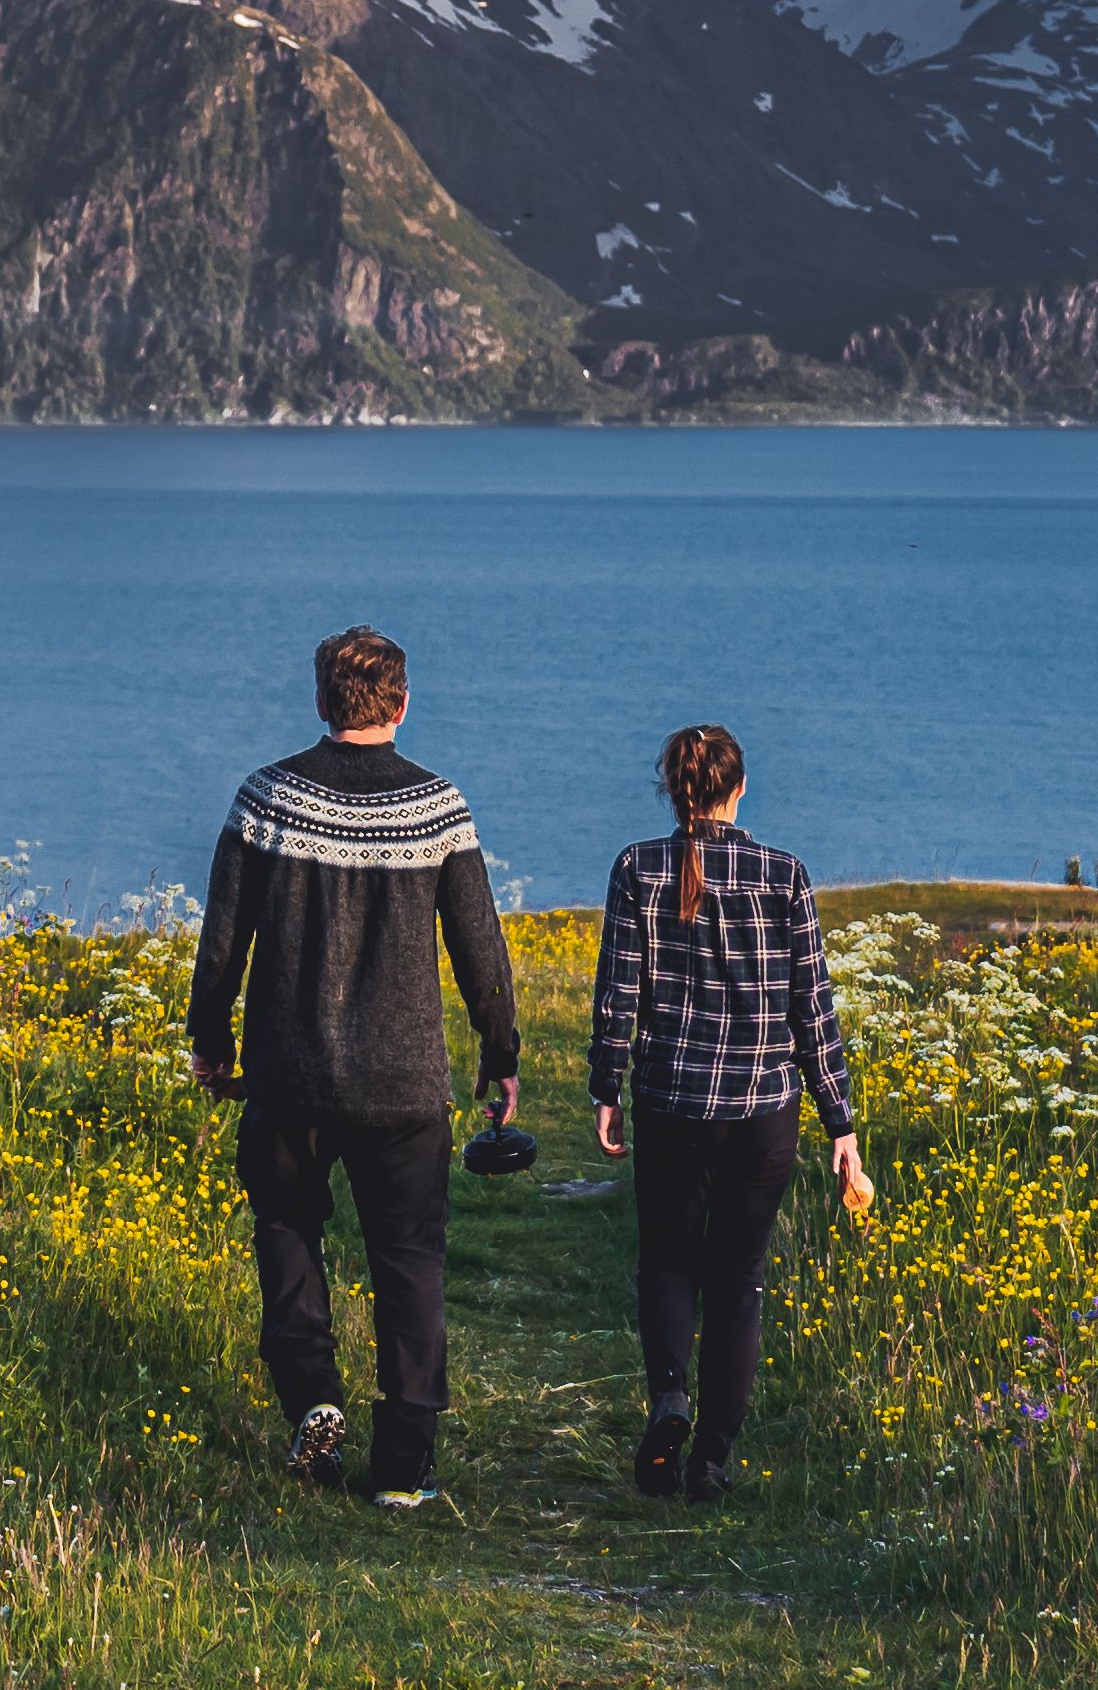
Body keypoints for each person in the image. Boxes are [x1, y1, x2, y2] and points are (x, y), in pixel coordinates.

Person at [188, 624, 523, 1501]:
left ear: (321, 701)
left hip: (289, 1074)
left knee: (287, 1230)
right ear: (402, 705)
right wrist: (502, 1050)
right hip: (405, 1084)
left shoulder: (266, 798)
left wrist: (211, 1038)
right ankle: (403, 1466)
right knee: (408, 1262)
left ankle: (312, 1397)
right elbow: (479, 946)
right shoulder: (439, 807)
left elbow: (223, 940)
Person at [586, 723, 872, 1502]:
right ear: (739, 788)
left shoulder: (637, 869)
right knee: (738, 1277)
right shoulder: (785, 875)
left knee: (667, 1261)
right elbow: (813, 1012)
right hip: (764, 1109)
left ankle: (670, 1397)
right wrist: (841, 1124)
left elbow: (620, 995)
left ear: (673, 790)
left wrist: (606, 1088)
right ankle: (710, 1460)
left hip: (673, 1100)